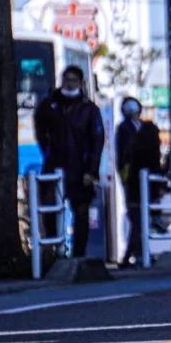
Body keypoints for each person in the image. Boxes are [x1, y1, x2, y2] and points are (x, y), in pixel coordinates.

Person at [34, 65, 105, 258]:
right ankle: (54, 250)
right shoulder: (49, 105)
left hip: (80, 168)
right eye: (66, 79)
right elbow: (40, 132)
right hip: (54, 165)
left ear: (80, 83)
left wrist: (91, 170)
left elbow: (97, 140)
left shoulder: (89, 109)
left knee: (81, 212)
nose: (69, 83)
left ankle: (78, 256)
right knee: (49, 209)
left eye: (73, 80)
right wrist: (48, 151)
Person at [115, 96, 162, 268]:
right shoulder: (123, 129)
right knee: (136, 217)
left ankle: (136, 254)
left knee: (142, 218)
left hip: (147, 178)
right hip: (133, 180)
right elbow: (122, 157)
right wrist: (125, 177)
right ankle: (132, 255)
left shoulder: (147, 127)